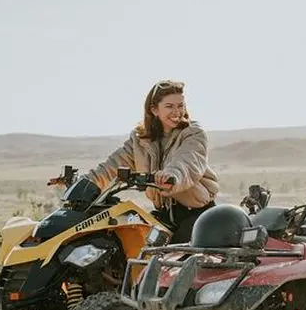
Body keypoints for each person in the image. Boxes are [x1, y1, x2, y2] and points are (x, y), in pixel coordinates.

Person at [84, 80, 219, 243]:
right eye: (169, 106)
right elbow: (112, 165)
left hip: (198, 215)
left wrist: (170, 176)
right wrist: (85, 183)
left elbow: (187, 161)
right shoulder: (141, 140)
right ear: (154, 109)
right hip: (163, 214)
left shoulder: (193, 134)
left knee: (170, 258)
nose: (177, 112)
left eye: (180, 105)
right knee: (135, 245)